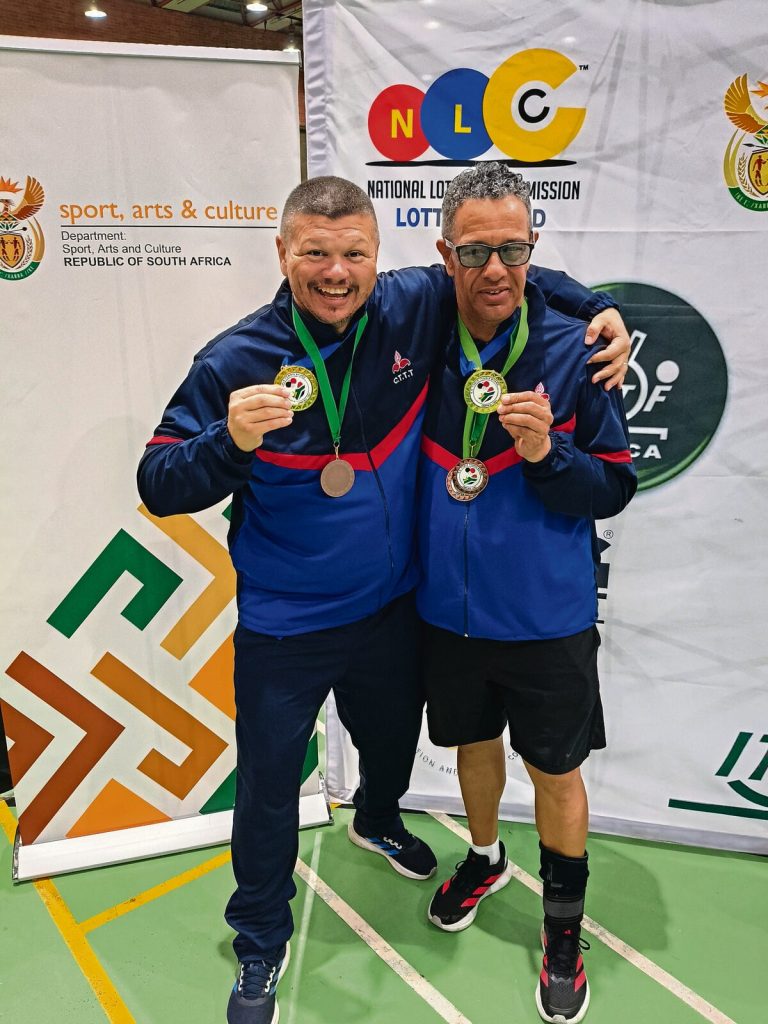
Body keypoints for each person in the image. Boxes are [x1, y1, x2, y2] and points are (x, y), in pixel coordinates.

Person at [137, 175, 630, 1024]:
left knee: (393, 745)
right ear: (282, 253)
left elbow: (498, 271)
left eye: (353, 254)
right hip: (287, 624)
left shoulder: (411, 307)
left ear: (377, 257)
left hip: (395, 611)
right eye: (315, 254)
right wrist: (231, 440)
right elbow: (158, 482)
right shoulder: (235, 359)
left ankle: (377, 818)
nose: (336, 273)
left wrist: (600, 308)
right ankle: (260, 944)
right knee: (268, 788)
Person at [417, 163, 636, 1024]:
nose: (496, 269)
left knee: (555, 769)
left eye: (514, 249)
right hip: (448, 608)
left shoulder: (578, 350)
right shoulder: (417, 329)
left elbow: (613, 486)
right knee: (474, 748)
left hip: (546, 615)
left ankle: (562, 930)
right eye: (476, 252)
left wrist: (548, 456)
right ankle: (483, 856)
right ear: (446, 255)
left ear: (533, 248)